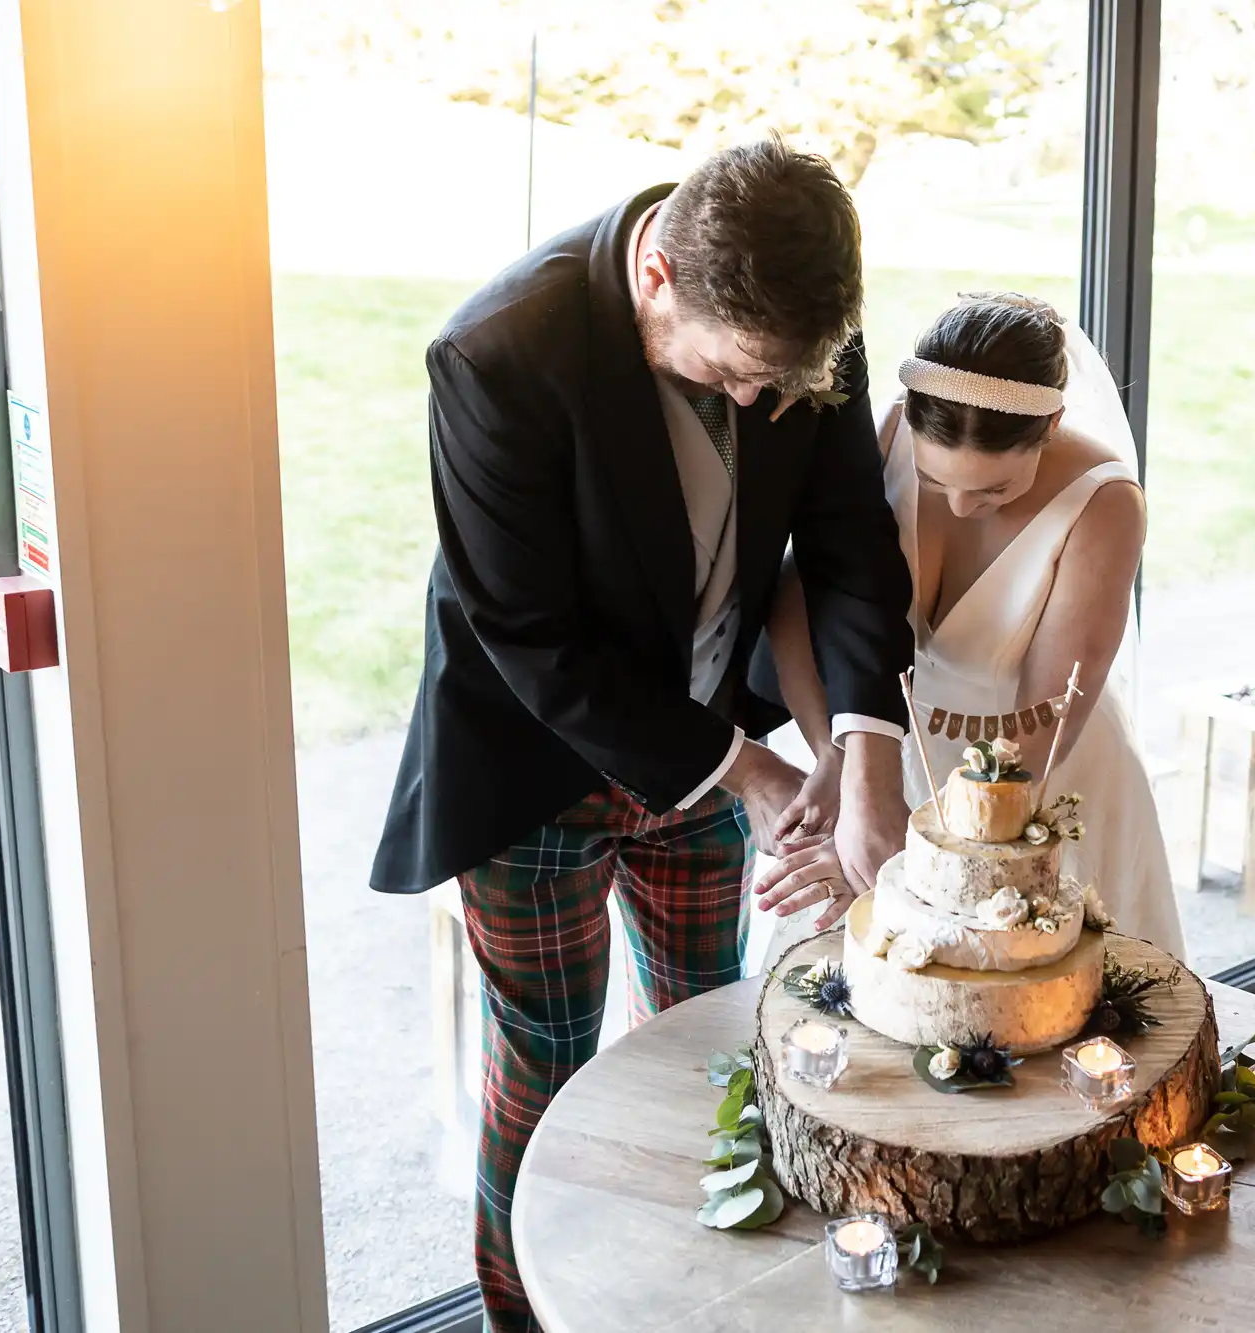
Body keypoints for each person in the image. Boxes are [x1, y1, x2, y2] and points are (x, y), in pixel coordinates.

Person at [368, 139, 914, 1331]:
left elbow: (846, 541)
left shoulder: (802, 319)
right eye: (731, 374)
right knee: (549, 1067)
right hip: (533, 769)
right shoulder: (498, 354)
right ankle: (525, 1314)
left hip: (715, 742)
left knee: (698, 1035)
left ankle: (686, 1298)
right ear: (657, 273)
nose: (758, 404)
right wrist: (750, 769)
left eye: (780, 384)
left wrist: (866, 749)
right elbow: (527, 635)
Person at [755, 293, 1186, 961]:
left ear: (1051, 428)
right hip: (889, 746)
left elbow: (1041, 726)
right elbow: (800, 601)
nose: (960, 504)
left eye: (994, 492)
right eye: (934, 478)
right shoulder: (892, 428)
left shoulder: (1105, 505)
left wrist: (917, 868)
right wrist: (840, 759)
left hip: (1030, 779)